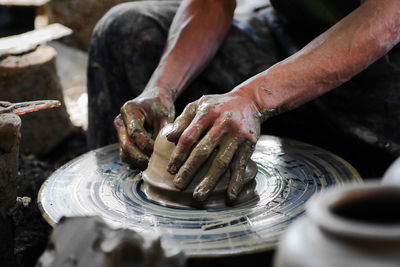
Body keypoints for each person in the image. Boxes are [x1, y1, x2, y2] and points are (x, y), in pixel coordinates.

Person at [87, 0, 400, 202]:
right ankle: (112, 224)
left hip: (384, 59)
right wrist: (161, 89)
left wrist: (254, 98)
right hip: (290, 37)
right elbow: (211, 3)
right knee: (125, 30)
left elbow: (388, 16)